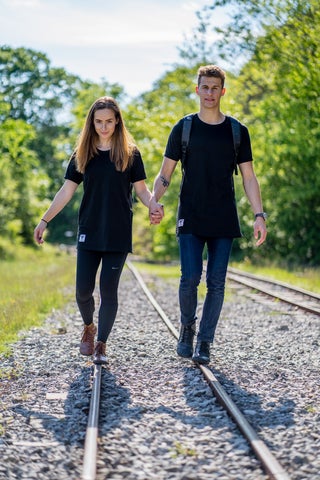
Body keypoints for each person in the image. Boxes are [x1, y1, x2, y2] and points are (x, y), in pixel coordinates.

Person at [149, 65, 267, 365]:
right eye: (205, 87)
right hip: (190, 214)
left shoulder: (237, 131)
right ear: (197, 89)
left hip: (223, 217)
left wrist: (259, 214)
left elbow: (249, 178)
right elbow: (165, 174)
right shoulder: (184, 128)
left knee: (216, 282)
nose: (210, 93)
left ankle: (205, 341)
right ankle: (187, 328)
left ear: (222, 91)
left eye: (215, 88)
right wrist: (153, 201)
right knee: (189, 278)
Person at [34, 96, 163, 364]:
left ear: (117, 122)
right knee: (82, 291)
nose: (104, 127)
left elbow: (141, 190)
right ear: (92, 123)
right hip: (89, 231)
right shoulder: (83, 153)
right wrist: (44, 220)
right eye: (98, 122)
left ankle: (102, 344)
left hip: (118, 233)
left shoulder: (130, 153)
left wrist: (153, 205)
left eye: (109, 122)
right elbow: (67, 191)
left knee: (108, 290)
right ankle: (89, 327)